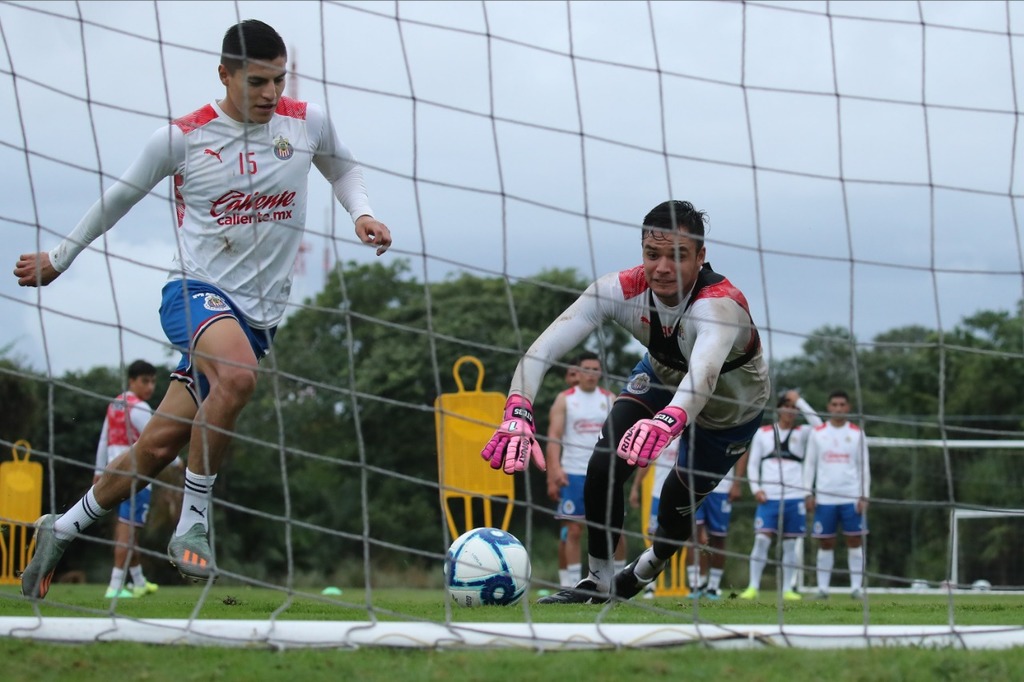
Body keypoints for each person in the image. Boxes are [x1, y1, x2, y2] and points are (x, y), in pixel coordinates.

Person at [14, 19, 392, 599]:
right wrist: (59, 258)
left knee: (158, 445)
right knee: (239, 377)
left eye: (278, 79)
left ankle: (60, 528)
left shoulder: (307, 122)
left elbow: (343, 168)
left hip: (257, 320)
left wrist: (360, 212)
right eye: (257, 81)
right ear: (224, 75)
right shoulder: (181, 139)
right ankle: (195, 520)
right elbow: (117, 199)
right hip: (193, 294)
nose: (271, 93)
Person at [481, 199, 770, 604]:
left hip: (729, 412)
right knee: (604, 464)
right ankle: (598, 582)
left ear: (701, 256)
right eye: (652, 254)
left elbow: (703, 373)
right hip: (660, 379)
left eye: (677, 256)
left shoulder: (719, 305)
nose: (662, 268)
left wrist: (669, 419)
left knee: (674, 506)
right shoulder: (618, 289)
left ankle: (647, 566)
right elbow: (544, 349)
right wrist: (518, 407)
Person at [739, 389, 822, 601]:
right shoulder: (763, 433)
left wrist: (800, 402)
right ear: (778, 409)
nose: (790, 411)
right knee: (761, 540)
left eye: (794, 408)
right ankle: (753, 587)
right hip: (769, 497)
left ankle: (787, 589)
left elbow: (820, 426)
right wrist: (756, 489)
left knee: (790, 544)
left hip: (795, 498)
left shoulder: (803, 433)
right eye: (786, 406)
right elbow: (753, 464)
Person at [545, 352, 618, 588]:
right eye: (586, 369)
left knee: (613, 529)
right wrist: (554, 470)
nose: (591, 374)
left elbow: (619, 437)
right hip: (573, 472)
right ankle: (573, 584)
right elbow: (554, 436)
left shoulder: (610, 399)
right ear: (577, 372)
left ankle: (617, 581)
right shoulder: (565, 399)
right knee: (573, 530)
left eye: (596, 369)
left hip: (603, 472)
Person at [94, 360, 160, 598]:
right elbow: (158, 439)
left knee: (128, 527)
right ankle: (115, 586)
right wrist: (177, 463)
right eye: (145, 381)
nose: (150, 386)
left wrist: (98, 471)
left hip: (113, 472)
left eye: (153, 381)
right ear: (132, 381)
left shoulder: (115, 404)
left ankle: (139, 582)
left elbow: (105, 438)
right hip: (135, 475)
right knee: (127, 529)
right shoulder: (140, 407)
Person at [803, 390, 871, 600]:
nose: (838, 408)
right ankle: (823, 589)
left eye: (842, 404)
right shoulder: (818, 433)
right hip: (825, 498)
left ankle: (856, 588)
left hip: (851, 496)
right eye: (835, 404)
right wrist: (808, 493)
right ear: (829, 407)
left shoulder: (857, 433)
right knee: (825, 542)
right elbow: (810, 464)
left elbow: (864, 467)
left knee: (854, 540)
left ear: (848, 408)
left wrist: (864, 495)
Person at [685, 455, 746, 599]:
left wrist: (737, 483)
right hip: (696, 486)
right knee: (694, 535)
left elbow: (743, 451)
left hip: (722, 489)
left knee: (719, 538)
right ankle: (695, 585)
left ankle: (713, 587)